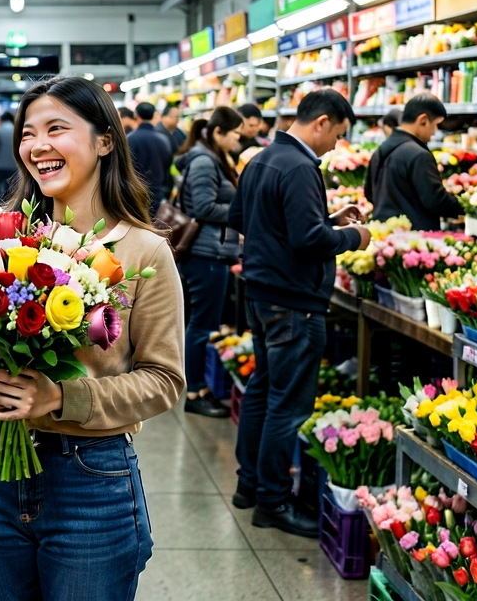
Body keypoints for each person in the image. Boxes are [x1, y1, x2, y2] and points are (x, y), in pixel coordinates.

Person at [0, 76, 182, 600]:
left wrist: (61, 397)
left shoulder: (143, 251)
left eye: (57, 129)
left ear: (104, 141)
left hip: (90, 479)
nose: (38, 146)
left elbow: (165, 380)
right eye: (28, 133)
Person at [227, 89, 371, 538]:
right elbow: (307, 240)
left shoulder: (263, 159)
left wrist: (328, 218)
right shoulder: (301, 166)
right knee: (287, 407)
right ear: (322, 122)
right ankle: (273, 501)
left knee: (262, 390)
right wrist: (355, 237)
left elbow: (247, 219)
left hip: (261, 294)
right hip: (294, 304)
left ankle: (248, 485)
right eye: (338, 135)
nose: (336, 146)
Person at [173, 107, 244, 419]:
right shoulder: (204, 161)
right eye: (236, 135)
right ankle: (195, 392)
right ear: (218, 133)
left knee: (201, 322)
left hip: (211, 251)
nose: (238, 141)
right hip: (205, 253)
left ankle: (199, 388)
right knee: (202, 325)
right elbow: (203, 207)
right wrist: (242, 211)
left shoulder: (210, 158)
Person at [364, 94, 464, 231]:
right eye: (435, 125)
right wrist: (465, 205)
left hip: (382, 232)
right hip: (414, 237)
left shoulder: (381, 150)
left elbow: (369, 192)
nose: (434, 132)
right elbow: (434, 201)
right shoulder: (419, 155)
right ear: (423, 120)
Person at [127, 102, 173, 215]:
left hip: (136, 196)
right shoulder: (164, 139)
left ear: (136, 116)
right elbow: (168, 167)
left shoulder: (130, 139)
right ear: (154, 115)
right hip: (159, 194)